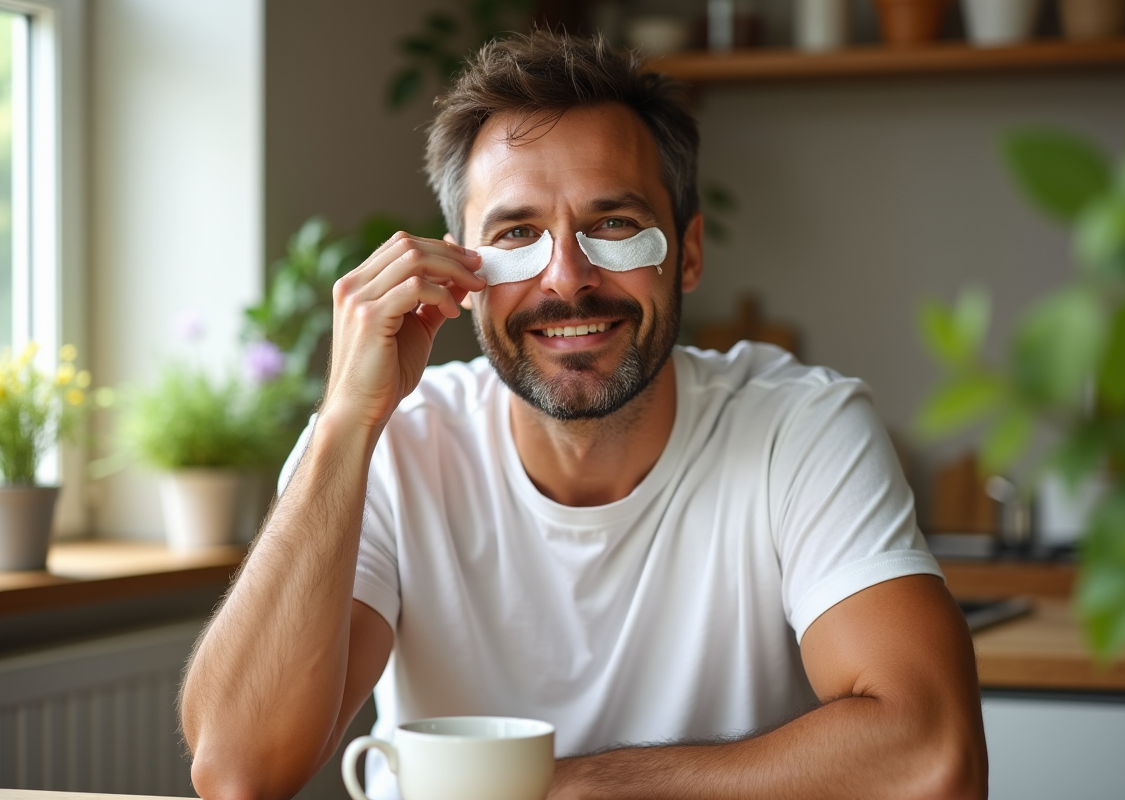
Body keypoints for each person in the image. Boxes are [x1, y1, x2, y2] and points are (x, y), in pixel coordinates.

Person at [181, 32, 987, 800]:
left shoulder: (799, 430)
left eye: (613, 225)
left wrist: (563, 789)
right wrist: (346, 423)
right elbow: (240, 774)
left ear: (690, 252)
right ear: (464, 269)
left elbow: (932, 758)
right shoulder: (392, 444)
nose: (566, 277)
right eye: (518, 234)